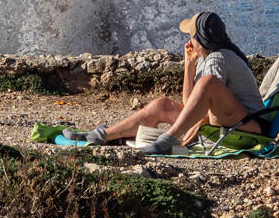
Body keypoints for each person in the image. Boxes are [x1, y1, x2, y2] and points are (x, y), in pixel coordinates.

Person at [63, 11, 264, 155]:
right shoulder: (209, 58)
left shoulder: (219, 59)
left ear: (198, 38)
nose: (188, 39)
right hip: (227, 120)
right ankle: (102, 136)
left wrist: (200, 122)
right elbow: (190, 105)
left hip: (248, 126)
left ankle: (165, 141)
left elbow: (203, 99)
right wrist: (189, 65)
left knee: (207, 82)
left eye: (190, 35)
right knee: (161, 105)